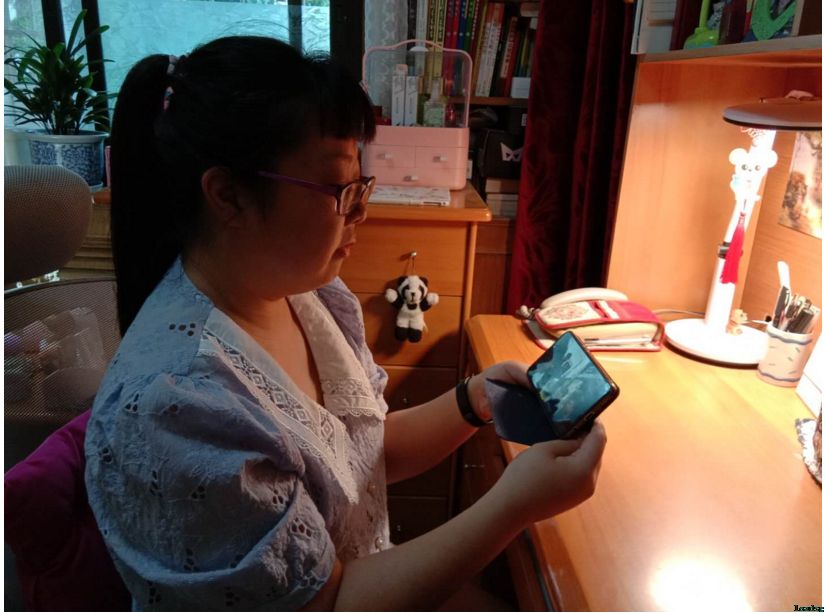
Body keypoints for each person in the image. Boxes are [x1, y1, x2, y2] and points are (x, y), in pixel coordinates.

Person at [85, 35, 607, 611]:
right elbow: (326, 602)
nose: (362, 211)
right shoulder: (180, 405)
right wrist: (515, 504)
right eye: (341, 190)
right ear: (228, 196)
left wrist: (474, 401)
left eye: (363, 186)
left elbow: (361, 454)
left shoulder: (310, 298)